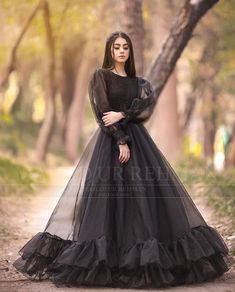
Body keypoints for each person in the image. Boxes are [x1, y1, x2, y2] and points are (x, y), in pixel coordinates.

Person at [13, 31, 234, 289]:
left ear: (129, 52)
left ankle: (144, 261)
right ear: (110, 50)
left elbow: (146, 105)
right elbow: (102, 114)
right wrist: (120, 139)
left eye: (125, 47)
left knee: (143, 202)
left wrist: (123, 114)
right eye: (116, 47)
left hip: (140, 143)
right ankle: (106, 262)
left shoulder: (138, 82)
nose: (121, 51)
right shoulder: (100, 76)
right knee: (107, 203)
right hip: (111, 144)